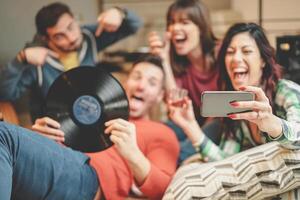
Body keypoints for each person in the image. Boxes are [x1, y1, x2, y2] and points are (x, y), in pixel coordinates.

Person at [0, 54, 179, 200]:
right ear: (126, 83)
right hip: (53, 166)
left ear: (159, 96)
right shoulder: (91, 111)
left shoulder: (162, 132)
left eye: (152, 83)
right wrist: (39, 138)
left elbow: (166, 190)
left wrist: (133, 154)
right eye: (137, 77)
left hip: (89, 179)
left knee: (3, 135)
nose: (141, 85)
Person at [164, 22, 300, 199]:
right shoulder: (236, 109)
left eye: (246, 51)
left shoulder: (286, 92)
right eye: (230, 52)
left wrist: (272, 123)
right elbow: (225, 164)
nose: (236, 58)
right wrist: (190, 126)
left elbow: (298, 140)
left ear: (263, 62)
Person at [0, 2, 142, 121]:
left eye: (71, 27)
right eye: (59, 36)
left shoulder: (88, 36)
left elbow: (135, 25)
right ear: (46, 39)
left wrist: (119, 13)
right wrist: (20, 60)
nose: (72, 38)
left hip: (91, 119)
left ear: (74, 19)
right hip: (54, 133)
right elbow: (6, 95)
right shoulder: (35, 61)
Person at [148, 0, 220, 162]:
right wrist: (164, 60)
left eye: (184, 22)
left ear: (201, 28)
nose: (174, 28)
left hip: (217, 123)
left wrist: (193, 133)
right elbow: (177, 105)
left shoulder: (221, 52)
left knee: (216, 124)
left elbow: (219, 110)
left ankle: (165, 161)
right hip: (188, 121)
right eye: (171, 23)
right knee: (158, 133)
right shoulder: (176, 62)